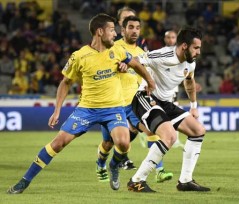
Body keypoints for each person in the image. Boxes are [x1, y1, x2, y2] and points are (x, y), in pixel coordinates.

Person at [7, 13, 155, 194]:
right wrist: (57, 110)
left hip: (113, 108)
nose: (115, 34)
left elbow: (135, 64)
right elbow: (65, 82)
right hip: (87, 109)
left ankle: (114, 166)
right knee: (58, 143)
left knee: (123, 143)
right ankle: (24, 181)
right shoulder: (79, 56)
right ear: (100, 32)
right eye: (111, 31)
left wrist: (150, 80)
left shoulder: (117, 51)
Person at [127, 26, 211, 192]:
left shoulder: (190, 63)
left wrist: (194, 106)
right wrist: (149, 80)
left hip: (165, 102)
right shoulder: (164, 55)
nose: (198, 52)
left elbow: (189, 82)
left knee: (198, 130)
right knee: (170, 136)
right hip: (145, 97)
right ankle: (136, 181)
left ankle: (185, 181)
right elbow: (134, 60)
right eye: (196, 48)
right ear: (184, 46)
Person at [96, 16, 173, 184]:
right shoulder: (112, 47)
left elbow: (146, 75)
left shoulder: (142, 54)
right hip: (113, 104)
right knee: (108, 143)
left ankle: (159, 170)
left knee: (151, 131)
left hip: (133, 103)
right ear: (122, 30)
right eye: (131, 27)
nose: (135, 31)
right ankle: (101, 164)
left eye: (137, 27)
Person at [163, 30, 185, 148]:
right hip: (163, 88)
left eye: (173, 37)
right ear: (165, 39)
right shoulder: (161, 53)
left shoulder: (180, 53)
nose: (171, 39)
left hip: (174, 88)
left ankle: (175, 140)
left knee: (175, 111)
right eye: (168, 37)